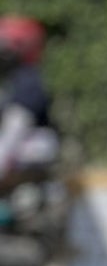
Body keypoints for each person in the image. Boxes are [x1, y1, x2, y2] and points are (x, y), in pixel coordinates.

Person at [0, 16, 57, 183]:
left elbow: (17, 122)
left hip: (31, 148)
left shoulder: (28, 79)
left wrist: (2, 162)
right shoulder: (13, 78)